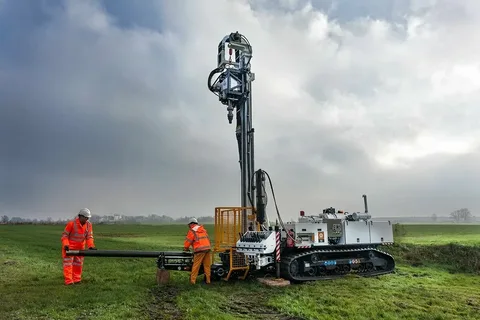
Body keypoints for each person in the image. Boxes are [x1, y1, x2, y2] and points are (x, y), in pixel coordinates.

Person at [61, 208, 97, 285]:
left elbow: (89, 237)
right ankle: (69, 281)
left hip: (80, 249)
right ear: (80, 216)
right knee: (68, 265)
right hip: (69, 248)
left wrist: (91, 246)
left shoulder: (88, 225)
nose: (87, 219)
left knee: (78, 265)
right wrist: (66, 245)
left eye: (88, 218)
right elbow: (64, 236)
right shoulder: (71, 224)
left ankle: (77, 280)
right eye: (86, 217)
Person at [183, 218, 211, 284]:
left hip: (199, 250)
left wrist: (186, 249)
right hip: (207, 249)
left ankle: (192, 281)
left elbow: (188, 241)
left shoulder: (192, 231)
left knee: (196, 266)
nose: (189, 226)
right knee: (207, 266)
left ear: (191, 224)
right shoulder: (203, 230)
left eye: (189, 225)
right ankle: (208, 281)